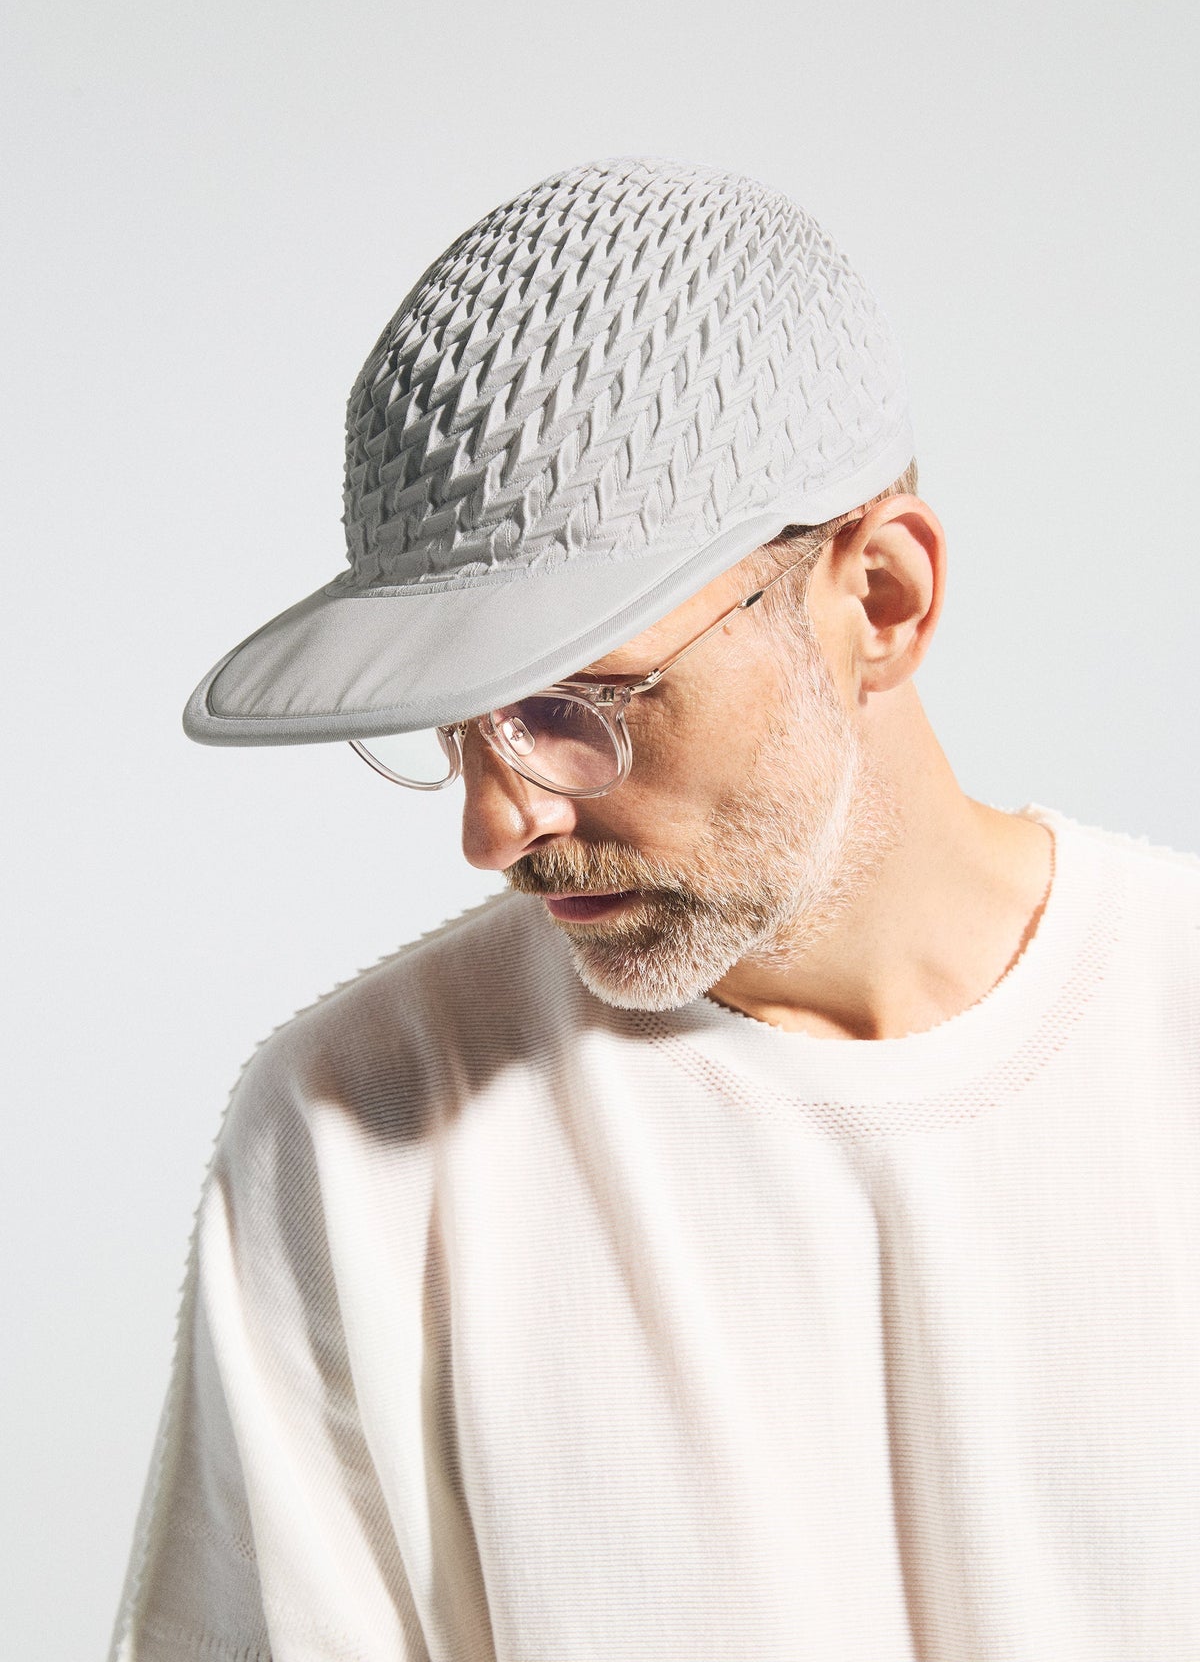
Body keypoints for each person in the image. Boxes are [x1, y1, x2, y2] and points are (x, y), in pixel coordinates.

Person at [108, 159, 1200, 1661]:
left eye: (579, 707)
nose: (497, 826)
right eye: (458, 725)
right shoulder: (364, 1131)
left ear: (879, 598)